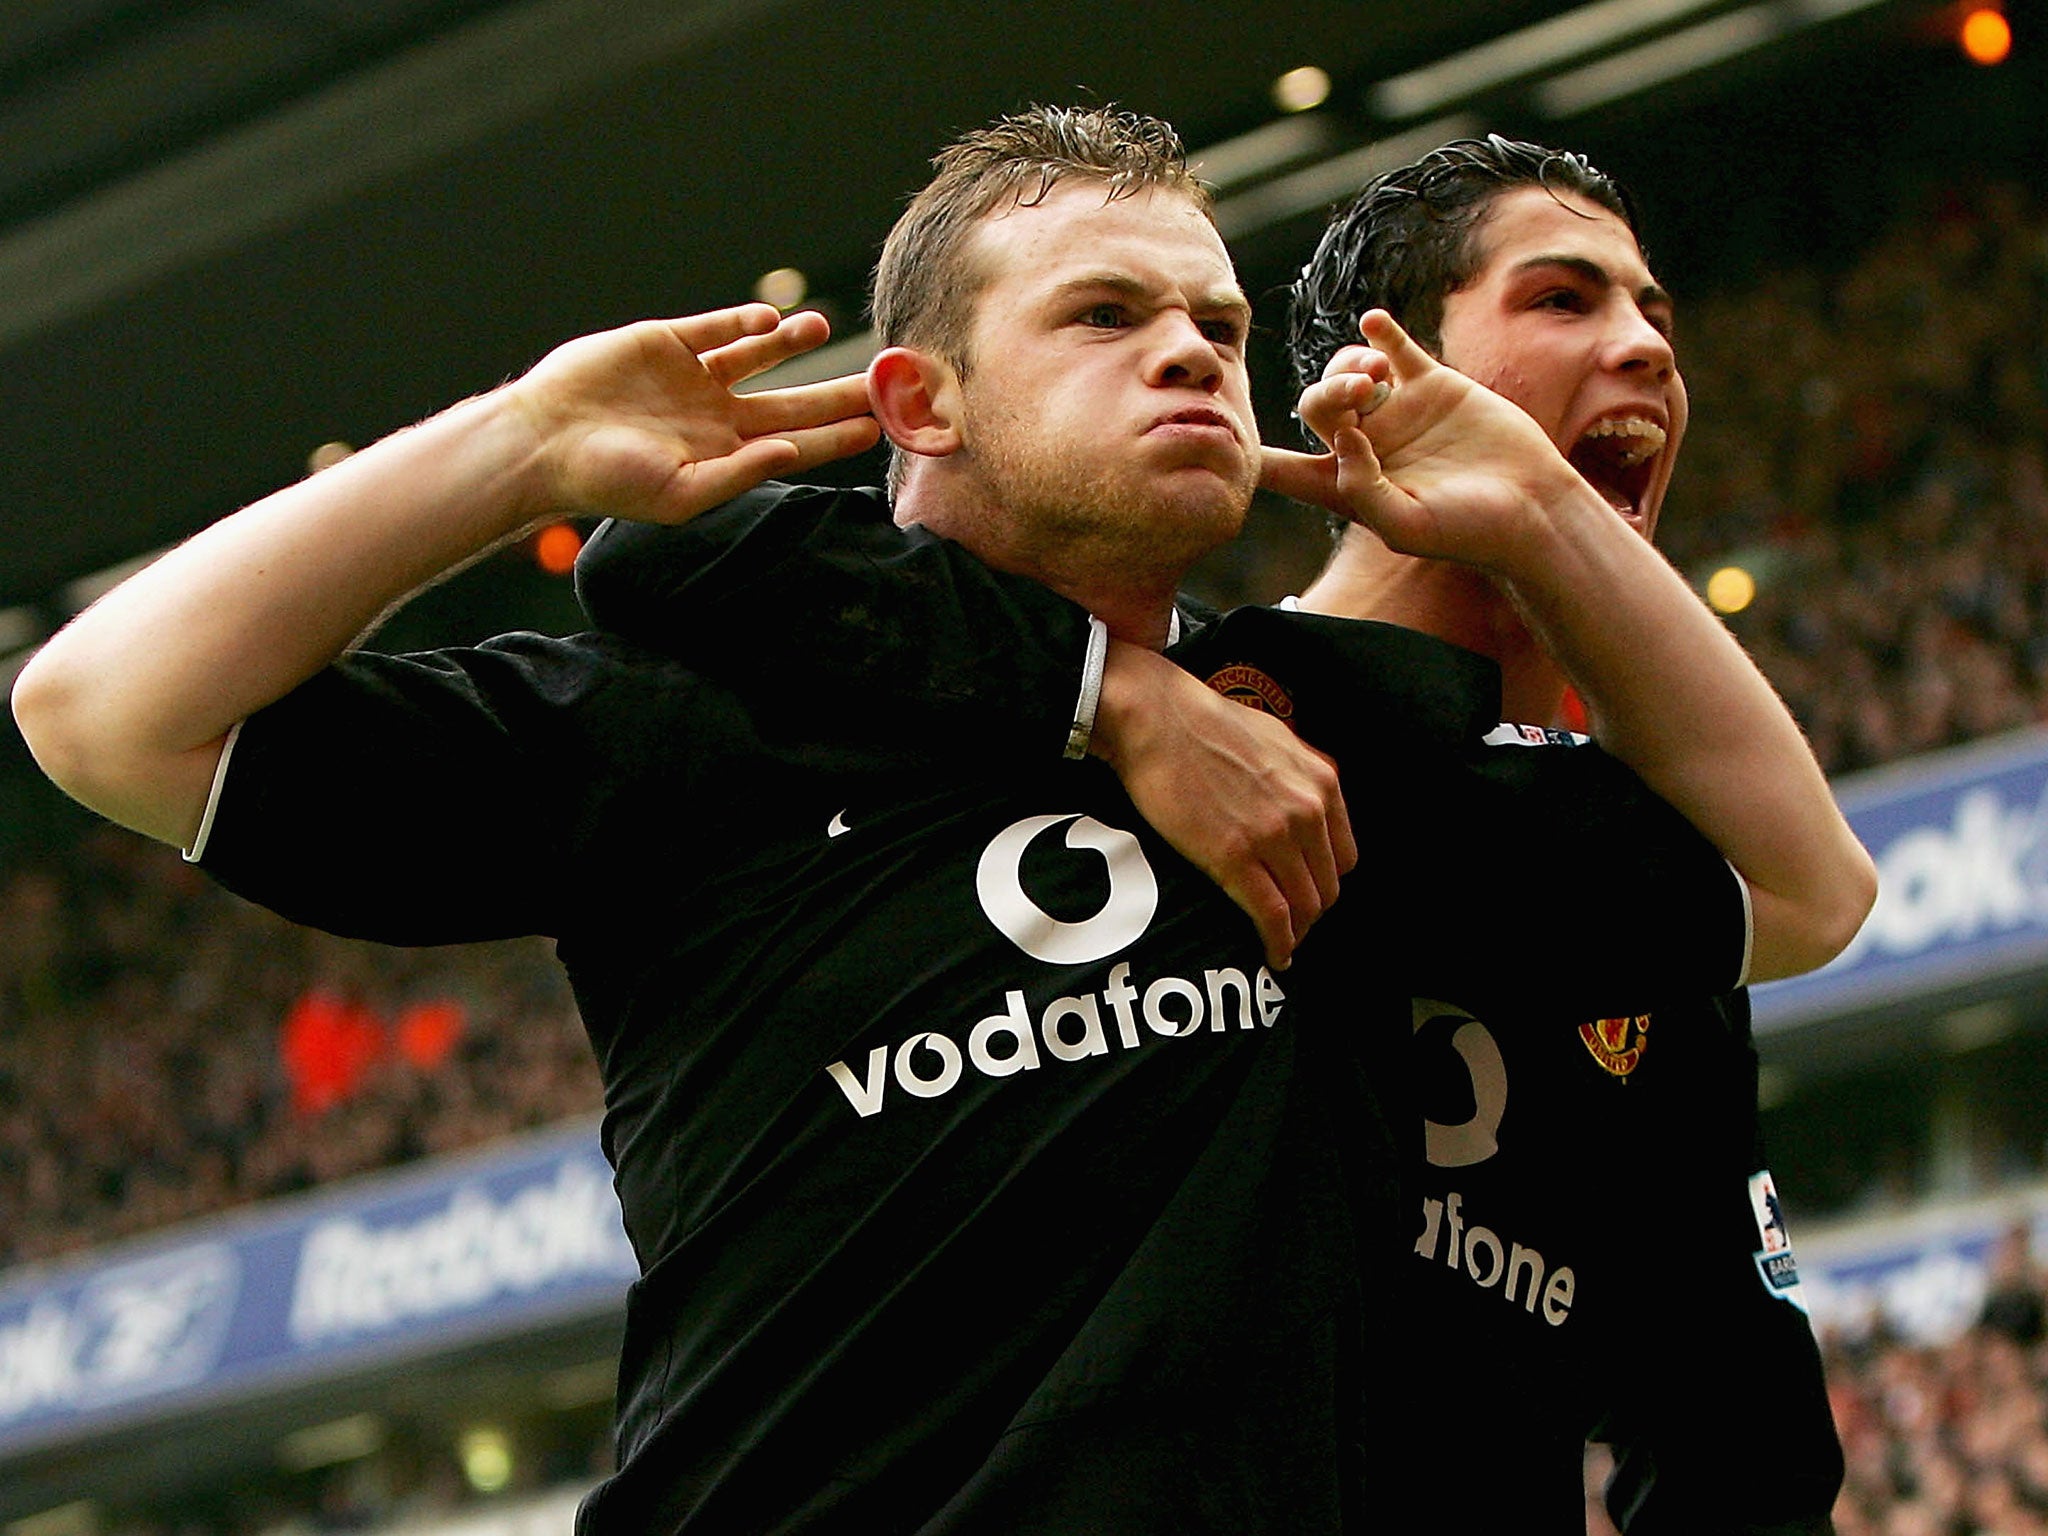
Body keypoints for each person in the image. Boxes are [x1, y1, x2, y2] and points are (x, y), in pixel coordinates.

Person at [10, 106, 1871, 1532]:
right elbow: (104, 711)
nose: (1193, 353)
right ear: (924, 402)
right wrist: (522, 443)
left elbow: (1795, 888)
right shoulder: (701, 728)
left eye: (1219, 323)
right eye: (1108, 314)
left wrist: (1538, 510)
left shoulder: (1323, 759)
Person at [1286, 136, 1846, 1530]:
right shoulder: (1194, 716)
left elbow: (1738, 1445)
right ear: (1387, 372)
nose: (1645, 348)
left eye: (1655, 313)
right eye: (1564, 300)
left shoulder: (1641, 875)